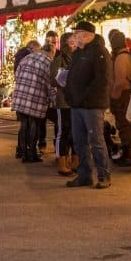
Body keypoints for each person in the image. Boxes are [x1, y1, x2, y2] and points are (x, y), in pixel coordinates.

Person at [63, 21, 113, 189]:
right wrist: (69, 94)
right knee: (79, 141)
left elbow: (102, 79)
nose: (74, 37)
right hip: (77, 104)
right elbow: (71, 76)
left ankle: (103, 175)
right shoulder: (78, 53)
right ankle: (84, 175)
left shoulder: (99, 52)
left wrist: (85, 97)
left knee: (96, 140)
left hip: (92, 105)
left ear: (86, 34)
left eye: (76, 34)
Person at [12, 39, 56, 163]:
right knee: (34, 125)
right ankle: (32, 154)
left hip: (20, 96)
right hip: (36, 97)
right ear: (51, 52)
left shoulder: (27, 58)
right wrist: (54, 100)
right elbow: (50, 84)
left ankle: (23, 152)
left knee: (24, 124)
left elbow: (17, 75)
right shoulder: (48, 62)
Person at [109, 29, 131, 167]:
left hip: (122, 95)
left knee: (125, 126)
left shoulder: (121, 57)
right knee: (127, 126)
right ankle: (129, 153)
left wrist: (114, 97)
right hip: (125, 93)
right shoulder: (126, 54)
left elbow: (120, 81)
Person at [52, 31, 76, 176]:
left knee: (75, 132)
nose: (74, 43)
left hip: (77, 100)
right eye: (72, 41)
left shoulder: (79, 55)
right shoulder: (59, 57)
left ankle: (75, 160)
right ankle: (62, 161)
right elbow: (52, 78)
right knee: (64, 131)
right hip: (64, 101)